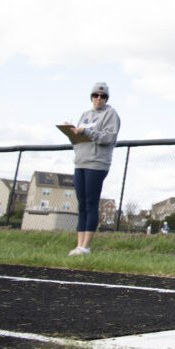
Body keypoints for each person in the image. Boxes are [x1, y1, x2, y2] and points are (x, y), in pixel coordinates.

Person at [64, 82, 120, 255]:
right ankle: (79, 244)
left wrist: (86, 132)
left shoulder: (111, 114)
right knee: (81, 205)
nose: (98, 99)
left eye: (102, 96)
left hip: (96, 163)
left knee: (91, 203)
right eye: (95, 95)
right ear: (91, 97)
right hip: (80, 161)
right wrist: (71, 132)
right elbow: (78, 138)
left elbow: (107, 138)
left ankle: (86, 246)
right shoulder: (85, 114)